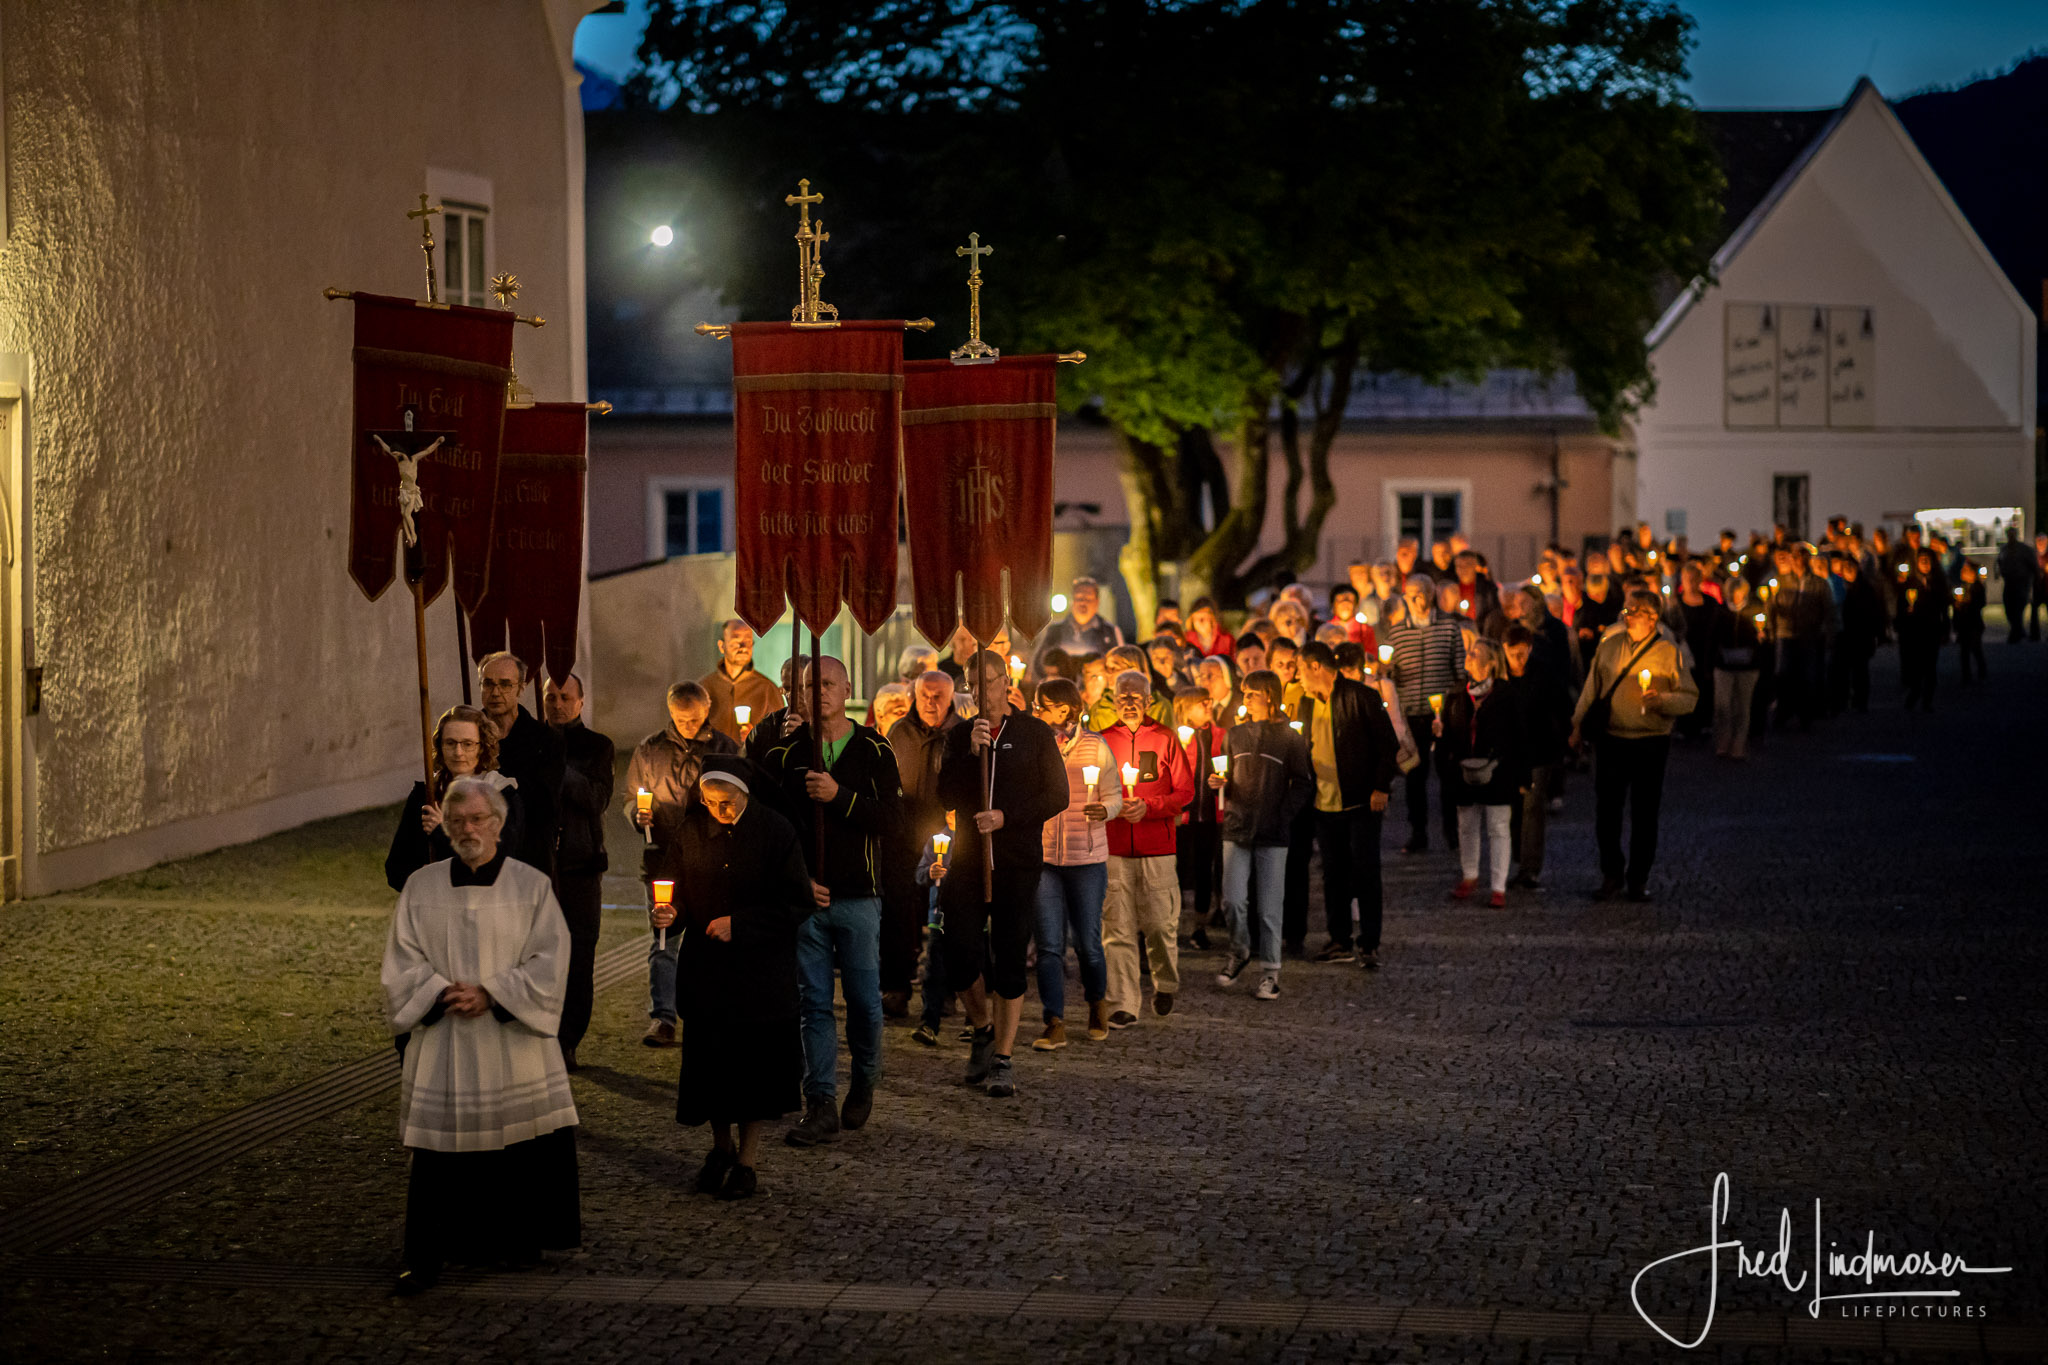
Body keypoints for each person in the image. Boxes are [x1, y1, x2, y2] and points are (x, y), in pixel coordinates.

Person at [383, 777, 578, 1295]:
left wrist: (493, 994)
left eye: (477, 820)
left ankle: (509, 1241)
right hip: (445, 1035)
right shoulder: (422, 887)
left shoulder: (530, 887)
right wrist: (442, 993)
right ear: (445, 827)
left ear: (499, 824)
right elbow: (401, 962)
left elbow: (552, 960)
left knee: (512, 1145)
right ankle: (423, 1256)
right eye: (457, 821)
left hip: (508, 1041)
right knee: (435, 1157)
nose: (467, 830)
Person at [653, 757, 816, 1202]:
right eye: (709, 803)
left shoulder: (776, 832)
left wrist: (740, 925)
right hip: (708, 971)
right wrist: (671, 913)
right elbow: (677, 889)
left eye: (726, 803)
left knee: (753, 1070)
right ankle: (718, 1148)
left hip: (760, 974)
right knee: (711, 1065)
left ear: (745, 794)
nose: (718, 811)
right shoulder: (691, 831)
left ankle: (747, 1160)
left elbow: (797, 903)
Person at [760, 656, 901, 1144]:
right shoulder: (786, 753)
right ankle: (819, 1100)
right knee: (813, 1002)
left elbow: (891, 820)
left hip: (858, 897)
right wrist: (797, 880)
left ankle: (864, 1079)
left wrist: (839, 795)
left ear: (846, 689)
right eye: (807, 685)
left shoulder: (875, 750)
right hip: (807, 903)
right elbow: (772, 829)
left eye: (826, 683)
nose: (817, 692)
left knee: (863, 1001)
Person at [935, 650, 1069, 1095]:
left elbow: (1057, 795)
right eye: (974, 683)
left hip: (1016, 861)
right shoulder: (959, 737)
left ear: (1006, 681)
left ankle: (1005, 1057)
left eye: (991, 682)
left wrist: (1007, 817)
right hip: (971, 861)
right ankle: (982, 1028)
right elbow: (946, 797)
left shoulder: (1033, 733)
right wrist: (969, 754)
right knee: (959, 952)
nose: (983, 692)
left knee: (1011, 956)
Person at [625, 681, 739, 1048]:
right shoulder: (650, 749)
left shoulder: (724, 749)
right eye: (680, 719)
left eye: (694, 718)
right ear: (670, 713)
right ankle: (664, 1017)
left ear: (707, 709)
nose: (688, 725)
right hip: (661, 858)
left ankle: (713, 1012)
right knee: (664, 938)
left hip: (711, 859)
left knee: (712, 939)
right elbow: (631, 795)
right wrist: (637, 814)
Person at [1570, 589, 1697, 902]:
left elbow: (1689, 697)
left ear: (1652, 617)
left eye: (1633, 611)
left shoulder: (1669, 652)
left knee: (1645, 812)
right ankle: (1611, 873)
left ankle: (1638, 878)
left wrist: (1663, 700)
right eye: (1625, 610)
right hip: (1612, 739)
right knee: (1607, 811)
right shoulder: (1610, 646)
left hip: (1651, 742)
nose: (1625, 616)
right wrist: (1575, 724)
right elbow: (1591, 689)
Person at [1099, 668, 1195, 1026]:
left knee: (1159, 924)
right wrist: (1113, 806)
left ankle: (1165, 982)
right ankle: (1123, 1001)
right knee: (1117, 926)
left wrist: (1150, 808)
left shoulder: (1166, 738)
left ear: (1149, 701)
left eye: (1135, 696)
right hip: (1114, 846)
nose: (1128, 702)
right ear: (1113, 699)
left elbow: (1185, 792)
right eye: (1122, 696)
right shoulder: (1103, 740)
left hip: (1158, 847)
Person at [1294, 642, 1398, 964]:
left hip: (1360, 801)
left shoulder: (1360, 696)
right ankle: (1339, 939)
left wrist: (1380, 787)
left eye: (1300, 669)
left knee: (1365, 870)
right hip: (1324, 804)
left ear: (1316, 667)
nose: (1298, 677)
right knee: (1333, 873)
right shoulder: (1306, 704)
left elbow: (1387, 744)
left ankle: (1369, 942)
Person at [1211, 669, 1312, 998]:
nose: (1246, 698)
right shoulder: (1235, 734)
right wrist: (1219, 786)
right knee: (1233, 900)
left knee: (1269, 908)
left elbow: (1303, 783)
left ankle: (1270, 973)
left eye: (1251, 693)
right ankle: (1239, 951)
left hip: (1273, 831)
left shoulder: (1288, 738)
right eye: (1245, 693)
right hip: (1237, 824)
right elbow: (1223, 774)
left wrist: (1283, 814)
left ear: (1269, 695)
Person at [1031, 677, 1118, 1048]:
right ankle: (1054, 1020)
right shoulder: (1037, 746)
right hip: (1046, 858)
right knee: (1049, 945)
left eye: (1042, 705)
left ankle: (1097, 1002)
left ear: (1064, 709)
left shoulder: (1096, 746)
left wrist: (1106, 809)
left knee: (1088, 943)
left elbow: (1113, 793)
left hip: (1087, 857)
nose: (1036, 711)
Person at [543, 672, 613, 1071]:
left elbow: (595, 798)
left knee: (579, 957)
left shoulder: (597, 746)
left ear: (581, 702)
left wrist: (559, 766)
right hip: (540, 865)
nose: (557, 703)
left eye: (565, 696)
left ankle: (568, 1039)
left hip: (580, 867)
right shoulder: (534, 741)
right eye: (550, 697)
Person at [883, 670, 961, 1018]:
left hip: (945, 836)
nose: (931, 702)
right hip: (904, 834)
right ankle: (896, 987)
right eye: (925, 695)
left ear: (951, 697)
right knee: (899, 914)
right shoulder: (899, 731)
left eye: (939, 696)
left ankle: (944, 990)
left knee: (944, 916)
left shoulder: (960, 733)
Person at [386, 705, 526, 894]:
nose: (458, 752)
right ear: (440, 746)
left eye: (467, 744)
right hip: (435, 912)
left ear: (482, 746)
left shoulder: (501, 794)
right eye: (450, 743)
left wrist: (442, 833)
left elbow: (495, 867)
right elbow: (396, 869)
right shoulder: (427, 795)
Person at [1434, 637, 1523, 908]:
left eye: (1475, 653)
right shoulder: (1458, 692)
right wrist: (1441, 732)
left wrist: (1521, 774)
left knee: (1498, 826)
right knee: (1467, 824)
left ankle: (1498, 886)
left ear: (1492, 662)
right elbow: (1450, 733)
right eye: (1469, 653)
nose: (1469, 656)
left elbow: (1520, 735)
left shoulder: (1507, 693)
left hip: (1499, 769)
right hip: (1464, 769)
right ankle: (1469, 875)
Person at [1381, 573, 1467, 854]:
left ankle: (1452, 831)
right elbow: (1392, 673)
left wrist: (1450, 699)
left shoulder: (1448, 628)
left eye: (1420, 593)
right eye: (1410, 594)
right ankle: (1418, 833)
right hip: (1411, 713)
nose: (1415, 599)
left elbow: (1460, 669)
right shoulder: (1398, 632)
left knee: (1448, 773)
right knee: (1415, 776)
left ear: (1431, 596)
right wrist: (1386, 672)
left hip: (1442, 713)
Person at [477, 651, 564, 875]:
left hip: (528, 857)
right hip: (477, 854)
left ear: (520, 688)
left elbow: (547, 803)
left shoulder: (545, 741)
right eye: (488, 684)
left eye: (505, 684)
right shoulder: (468, 737)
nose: (495, 692)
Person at [1502, 625, 1568, 889]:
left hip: (1538, 750)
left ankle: (1530, 868)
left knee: (1532, 809)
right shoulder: (1500, 675)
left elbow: (1560, 706)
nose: (1519, 660)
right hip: (1508, 752)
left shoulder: (1542, 672)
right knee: (1511, 809)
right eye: (1514, 654)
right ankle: (1515, 857)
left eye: (1524, 653)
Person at [1172, 686, 1222, 946]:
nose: (1207, 706)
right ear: (1184, 708)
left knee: (1205, 870)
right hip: (1182, 818)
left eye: (1209, 701)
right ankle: (1171, 924)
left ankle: (1199, 928)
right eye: (1201, 703)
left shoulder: (1220, 735)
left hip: (1210, 816)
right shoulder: (1173, 738)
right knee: (1177, 871)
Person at [701, 619, 785, 743]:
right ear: (722, 646)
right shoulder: (704, 688)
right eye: (736, 641)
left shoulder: (767, 690)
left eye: (748, 641)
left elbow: (779, 738)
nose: (743, 647)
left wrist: (755, 740)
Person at [1711, 580, 1765, 759]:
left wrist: (1761, 636)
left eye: (1740, 593)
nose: (1736, 597)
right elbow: (1711, 637)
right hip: (1724, 664)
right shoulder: (1720, 611)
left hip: (1748, 665)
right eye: (1733, 593)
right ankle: (1724, 740)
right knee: (1723, 705)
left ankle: (1739, 744)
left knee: (1743, 705)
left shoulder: (1754, 609)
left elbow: (1766, 637)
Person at [1031, 576, 1124, 671]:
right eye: (1079, 598)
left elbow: (1120, 666)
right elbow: (1039, 664)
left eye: (1088, 598)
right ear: (1072, 601)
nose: (1083, 603)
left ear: (1097, 602)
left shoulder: (1110, 633)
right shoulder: (1054, 631)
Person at [1896, 550, 1948, 712]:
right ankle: (1914, 692)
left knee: (1930, 667)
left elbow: (1944, 606)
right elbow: (1901, 605)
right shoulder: (1909, 582)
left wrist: (1945, 629)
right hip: (1914, 630)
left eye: (1927, 560)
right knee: (1915, 666)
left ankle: (1927, 700)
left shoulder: (1938, 582)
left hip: (1931, 629)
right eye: (1921, 560)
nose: (1925, 563)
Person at [1953, 561, 1987, 685]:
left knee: (1975, 649)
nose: (1962, 572)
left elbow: (1980, 604)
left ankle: (1981, 671)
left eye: (1966, 570)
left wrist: (1966, 604)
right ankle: (1966, 675)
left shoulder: (1977, 587)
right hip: (1963, 625)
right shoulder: (1962, 587)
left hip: (1973, 624)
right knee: (1964, 651)